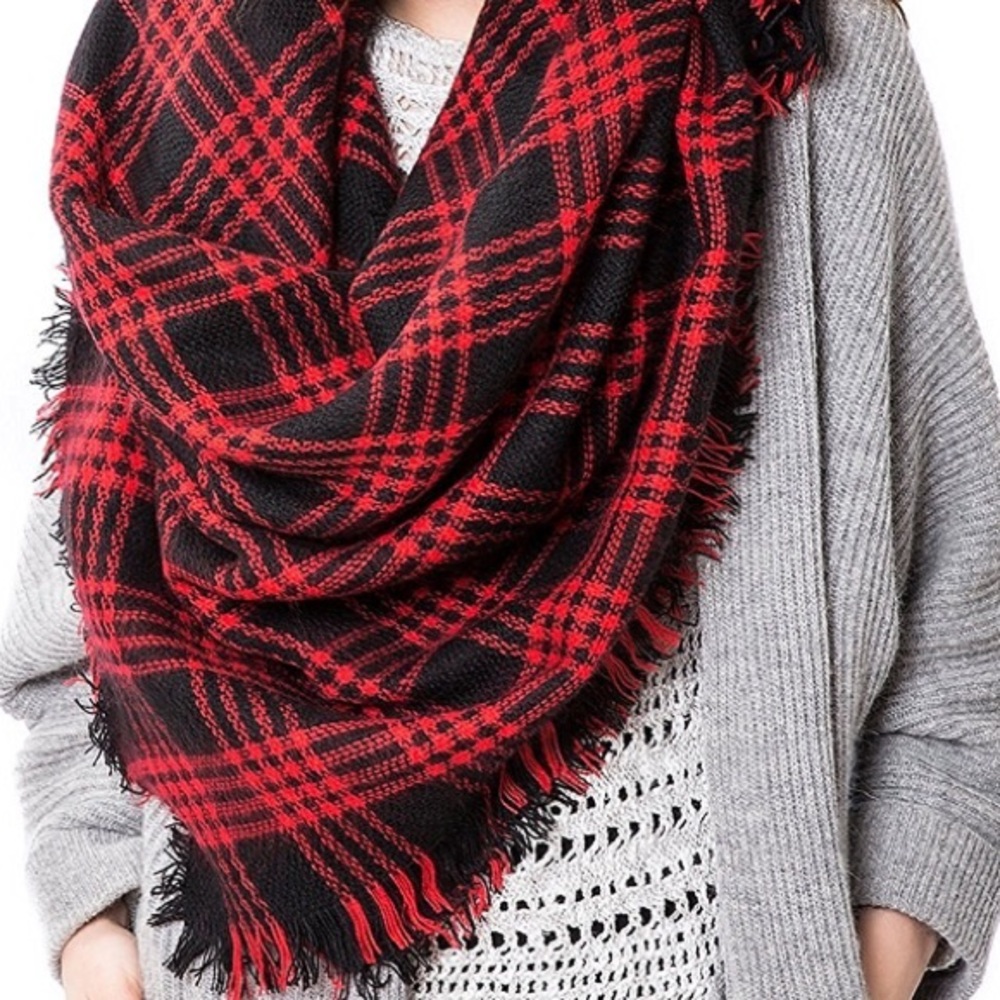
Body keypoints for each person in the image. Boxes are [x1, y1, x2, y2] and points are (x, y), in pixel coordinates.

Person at [1, 0, 998, 998]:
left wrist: (873, 959)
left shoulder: (780, 48)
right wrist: (100, 933)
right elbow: (90, 616)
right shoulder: (177, 70)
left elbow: (960, 606)